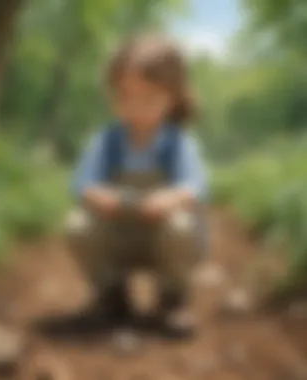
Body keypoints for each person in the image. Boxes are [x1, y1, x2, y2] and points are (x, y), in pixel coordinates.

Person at [65, 34, 208, 338]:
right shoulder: (106, 142)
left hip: (164, 239)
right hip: (118, 233)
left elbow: (194, 186)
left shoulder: (177, 144)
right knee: (77, 225)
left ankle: (171, 301)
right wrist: (101, 196)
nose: (136, 108)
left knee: (182, 226)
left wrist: (169, 198)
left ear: (172, 98)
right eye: (125, 97)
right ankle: (112, 294)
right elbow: (82, 184)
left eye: (149, 98)